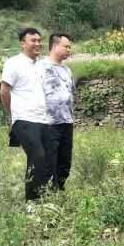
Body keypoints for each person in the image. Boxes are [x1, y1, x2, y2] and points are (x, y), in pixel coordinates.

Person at [0, 28, 58, 201]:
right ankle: (32, 202)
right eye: (33, 40)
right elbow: (4, 91)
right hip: (24, 118)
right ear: (22, 43)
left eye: (40, 40)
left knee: (49, 158)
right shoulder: (13, 63)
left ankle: (46, 198)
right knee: (37, 156)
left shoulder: (40, 65)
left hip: (43, 119)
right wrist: (11, 116)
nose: (38, 44)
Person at [38, 33, 76, 192]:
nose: (69, 50)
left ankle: (60, 189)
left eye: (69, 47)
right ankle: (47, 192)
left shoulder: (67, 70)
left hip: (66, 121)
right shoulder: (40, 67)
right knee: (49, 160)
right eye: (66, 46)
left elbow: (71, 93)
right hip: (48, 122)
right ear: (54, 46)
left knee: (65, 160)